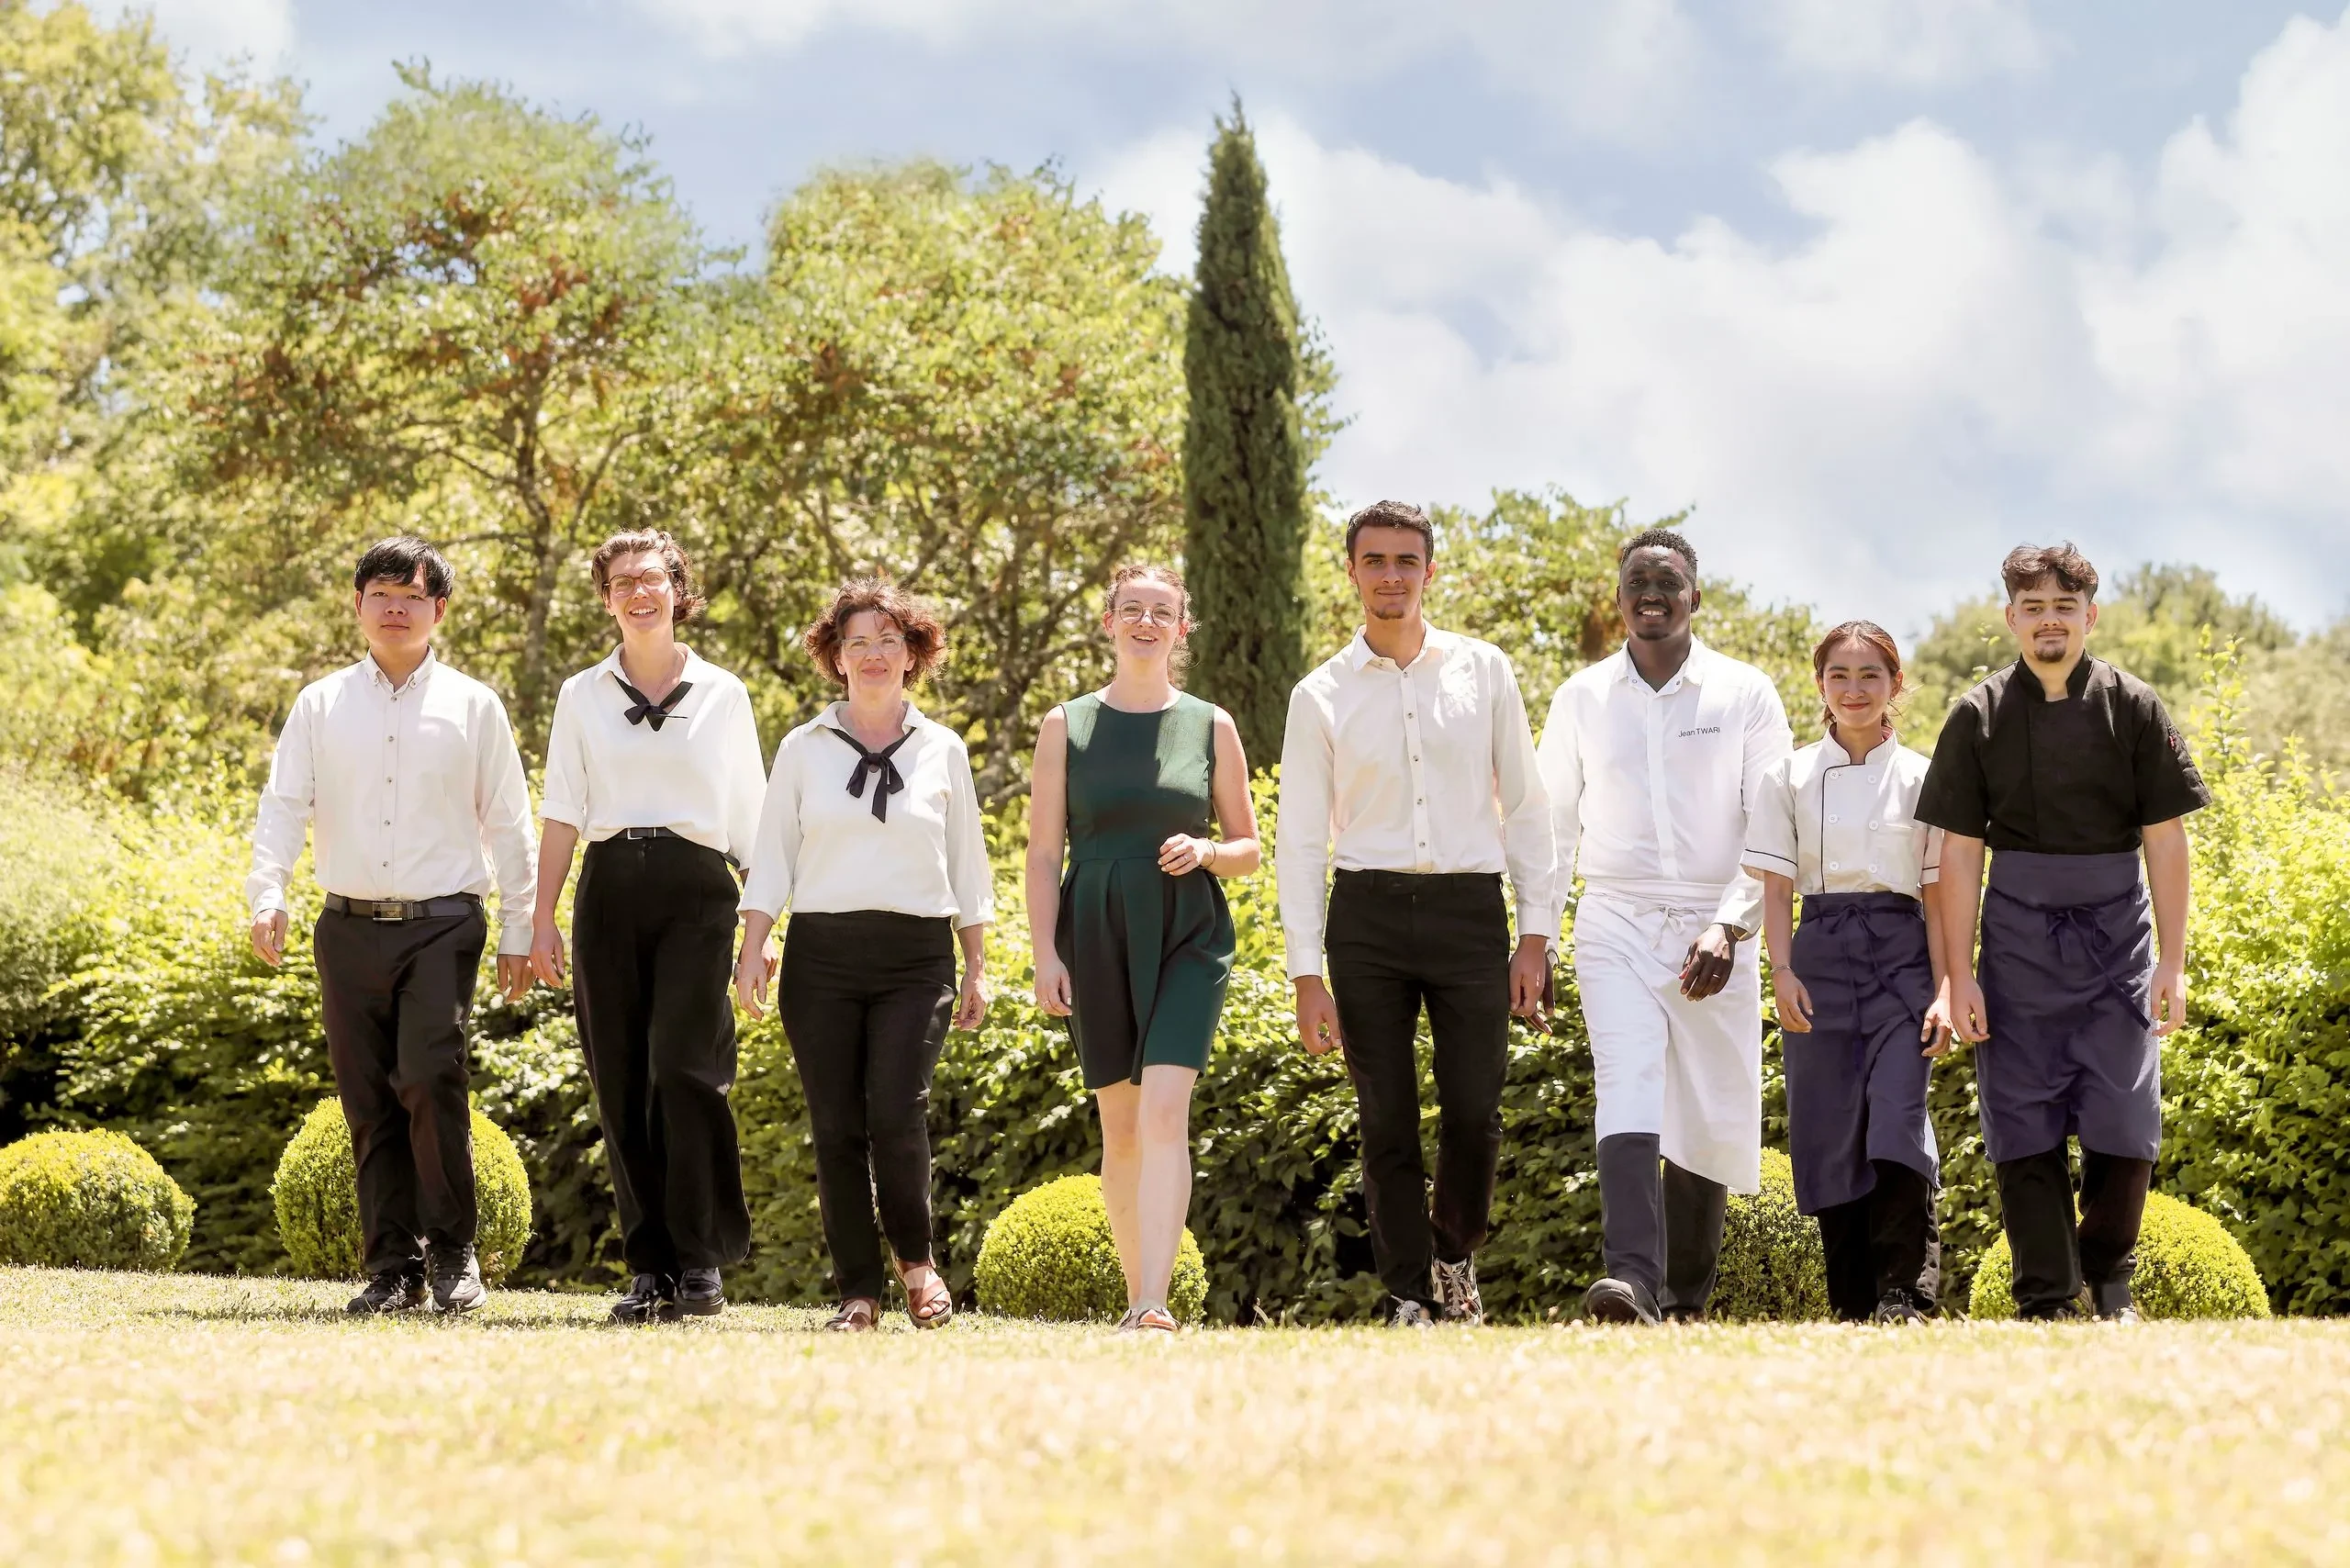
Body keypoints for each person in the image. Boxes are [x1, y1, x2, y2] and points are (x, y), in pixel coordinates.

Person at [1278, 501, 1556, 1328]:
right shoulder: (1318, 695)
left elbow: (1529, 807)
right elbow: (1298, 841)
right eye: (1375, 561)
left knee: (1476, 1109)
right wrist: (1305, 973)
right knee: (1386, 1118)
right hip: (1365, 917)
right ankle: (1406, 1294)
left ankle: (1453, 1252)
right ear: (1353, 572)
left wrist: (1536, 932)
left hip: (1471, 911)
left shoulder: (1486, 670)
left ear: (1430, 571)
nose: (1391, 575)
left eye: (1407, 560)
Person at [1919, 543, 2209, 1323]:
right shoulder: (1976, 714)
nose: (2050, 622)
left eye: (2065, 607)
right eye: (2035, 608)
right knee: (2020, 1117)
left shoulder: (2134, 705)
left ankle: (2111, 1283)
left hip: (2118, 940)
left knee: (2125, 1116)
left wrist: (2171, 964)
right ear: (2012, 617)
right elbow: (1958, 854)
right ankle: (2045, 1294)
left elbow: (2167, 840)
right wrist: (1959, 975)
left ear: (2091, 615)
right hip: (2014, 944)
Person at [247, 536, 536, 1316]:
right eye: (381, 594)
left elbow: (510, 823)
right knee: (367, 1097)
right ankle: (392, 1270)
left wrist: (520, 927)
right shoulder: (320, 703)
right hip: (345, 927)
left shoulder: (475, 705)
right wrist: (266, 892)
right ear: (359, 606)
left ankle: (452, 1254)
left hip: (443, 922)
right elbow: (284, 805)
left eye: (412, 595)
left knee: (429, 1074)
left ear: (438, 609)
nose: (396, 608)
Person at [1539, 528, 1794, 1325]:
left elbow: (1773, 822)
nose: (1652, 594)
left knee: (1710, 1105)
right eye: (1637, 583)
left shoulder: (1745, 693)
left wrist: (1730, 926)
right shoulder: (1580, 698)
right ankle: (1632, 1281)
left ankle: (1684, 1301)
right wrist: (1536, 937)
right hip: (1613, 915)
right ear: (1618, 602)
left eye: (1668, 581)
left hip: (1720, 921)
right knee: (1628, 1078)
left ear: (1695, 596)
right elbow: (1549, 827)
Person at [734, 579, 991, 1333]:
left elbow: (967, 863)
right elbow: (772, 857)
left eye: (889, 640)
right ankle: (857, 1293)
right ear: (835, 656)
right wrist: (753, 945)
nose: (874, 654)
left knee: (897, 1110)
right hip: (821, 957)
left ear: (912, 654)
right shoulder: (803, 748)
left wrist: (976, 964)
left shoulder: (942, 748)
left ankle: (918, 1268)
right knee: (837, 1125)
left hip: (916, 957)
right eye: (858, 642)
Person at [531, 530, 767, 1325]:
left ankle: (700, 1263)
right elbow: (562, 811)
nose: (640, 591)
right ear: (606, 597)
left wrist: (764, 931)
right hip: (608, 891)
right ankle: (649, 1267)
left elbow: (752, 820)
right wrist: (541, 919)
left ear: (678, 590)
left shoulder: (724, 693)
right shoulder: (580, 695)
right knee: (622, 1077)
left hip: (698, 889)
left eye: (654, 578)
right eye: (623, 580)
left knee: (686, 1070)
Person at [1027, 564, 1260, 1335]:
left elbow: (1249, 847)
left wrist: (1207, 851)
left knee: (1165, 1110)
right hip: (1092, 927)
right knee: (1120, 1126)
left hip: (1188, 931)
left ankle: (1154, 1302)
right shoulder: (1066, 725)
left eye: (1163, 613)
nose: (1147, 623)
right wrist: (1044, 954)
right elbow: (1040, 853)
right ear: (1109, 621)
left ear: (1181, 629)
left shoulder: (1211, 724)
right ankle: (1137, 1300)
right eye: (1133, 609)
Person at [1741, 622, 1947, 1325]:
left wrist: (1949, 988)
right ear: (1820, 684)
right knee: (1828, 1130)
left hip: (1904, 960)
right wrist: (1782, 971)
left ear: (1896, 684)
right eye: (1840, 675)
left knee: (1896, 1121)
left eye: (1870, 675)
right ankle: (1851, 1302)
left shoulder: (1926, 777)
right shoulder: (1787, 775)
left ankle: (1905, 1294)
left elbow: (1943, 897)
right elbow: (1774, 888)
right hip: (1820, 958)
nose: (1854, 690)